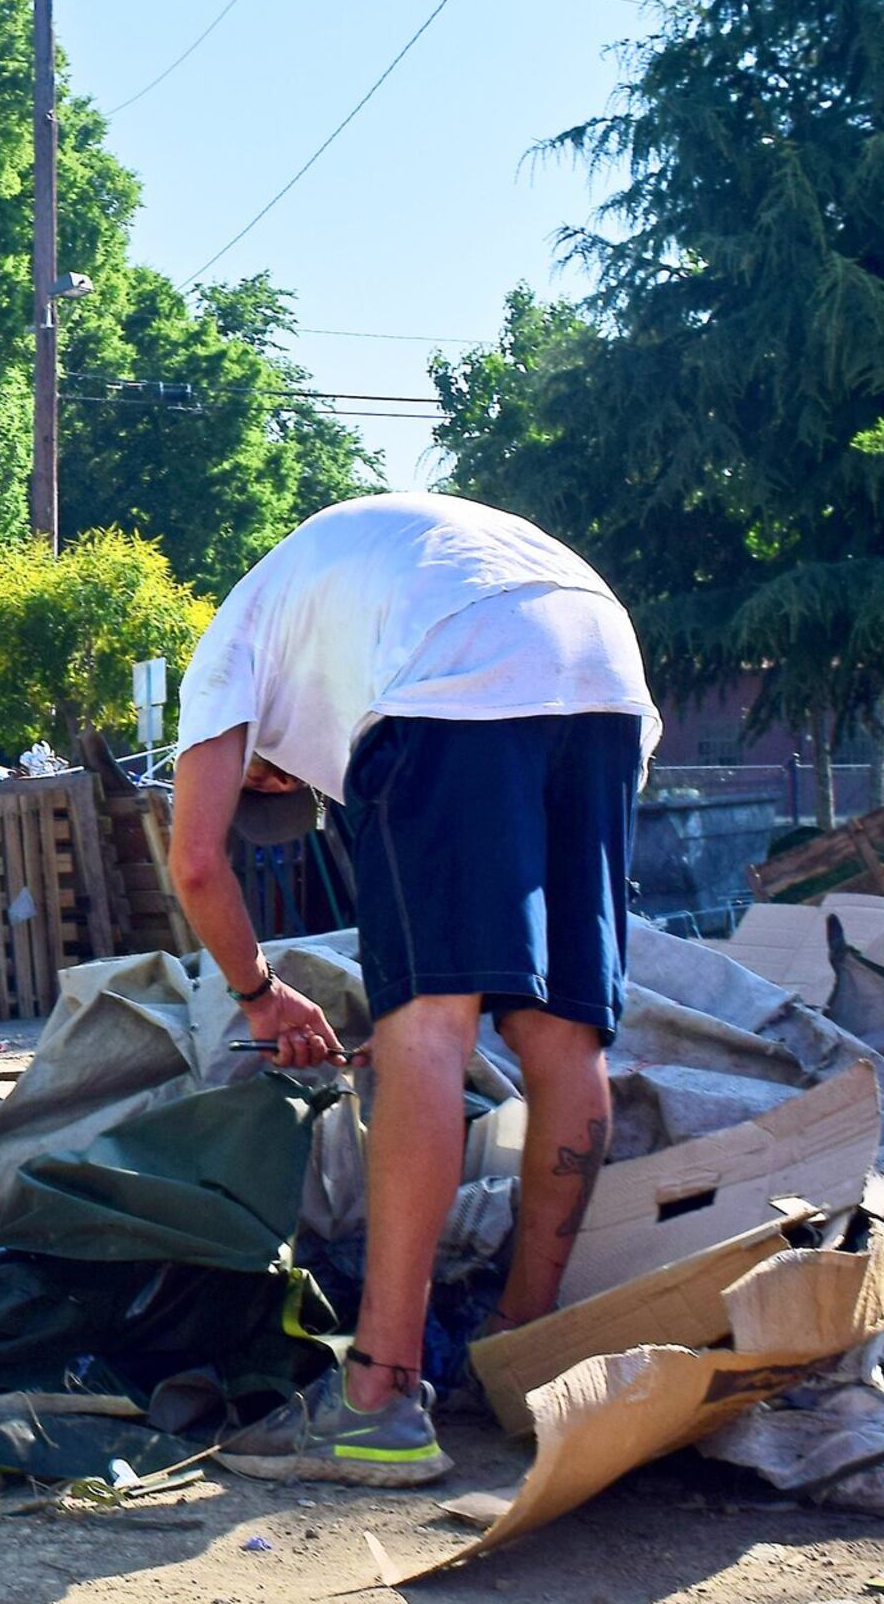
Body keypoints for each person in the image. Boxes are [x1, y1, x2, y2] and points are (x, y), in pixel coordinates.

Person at [161, 490, 658, 1487]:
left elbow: (199, 867)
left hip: (456, 670)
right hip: (601, 661)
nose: (278, 787)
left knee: (424, 1026)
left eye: (269, 786)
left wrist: (261, 993)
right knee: (565, 1038)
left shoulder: (230, 645)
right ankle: (524, 1351)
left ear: (261, 766)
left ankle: (376, 1401)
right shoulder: (350, 594)